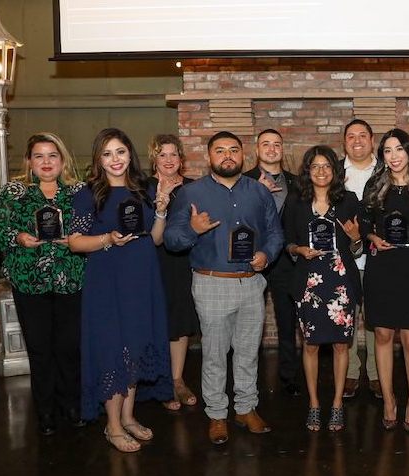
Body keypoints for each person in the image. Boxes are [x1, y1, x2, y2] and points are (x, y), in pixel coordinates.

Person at [164, 131, 284, 445]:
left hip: (251, 283)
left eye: (233, 150)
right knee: (215, 355)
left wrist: (266, 255)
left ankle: (246, 408)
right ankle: (217, 414)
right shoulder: (191, 193)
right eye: (220, 150)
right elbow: (172, 240)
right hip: (211, 282)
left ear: (243, 155)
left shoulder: (259, 192)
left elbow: (275, 234)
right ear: (209, 156)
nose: (227, 155)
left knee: (248, 352)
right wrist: (193, 228)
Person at [69, 128, 174, 453]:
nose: (115, 160)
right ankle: (112, 426)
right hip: (108, 282)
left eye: (120, 152)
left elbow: (155, 238)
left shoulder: (144, 189)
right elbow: (75, 242)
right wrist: (107, 240)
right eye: (107, 154)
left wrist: (160, 210)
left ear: (130, 154)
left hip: (142, 280)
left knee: (136, 347)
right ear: (99, 160)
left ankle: (128, 417)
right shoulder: (88, 193)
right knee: (114, 350)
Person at [0, 132, 84, 434]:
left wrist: (79, 240)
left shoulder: (79, 192)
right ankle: (45, 412)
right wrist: (18, 238)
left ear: (62, 160)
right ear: (29, 162)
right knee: (40, 350)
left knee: (69, 348)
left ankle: (73, 406)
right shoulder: (14, 192)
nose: (46, 162)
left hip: (72, 281)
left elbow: (93, 226)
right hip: (30, 283)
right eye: (39, 156)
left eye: (52, 155)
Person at [361, 128, 409, 432]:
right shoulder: (375, 185)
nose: (393, 157)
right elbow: (366, 222)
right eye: (387, 151)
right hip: (382, 269)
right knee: (381, 335)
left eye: (399, 149)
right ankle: (390, 400)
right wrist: (372, 237)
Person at [283, 145, 362, 432]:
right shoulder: (296, 202)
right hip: (309, 281)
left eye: (326, 166)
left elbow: (357, 246)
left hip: (340, 280)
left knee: (342, 344)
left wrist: (355, 238)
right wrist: (298, 249)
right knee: (311, 345)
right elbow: (286, 240)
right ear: (307, 171)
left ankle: (338, 404)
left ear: (335, 170)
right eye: (315, 166)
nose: (321, 171)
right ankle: (315, 404)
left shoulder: (350, 201)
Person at [244, 129, 301, 397]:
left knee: (287, 321)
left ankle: (289, 376)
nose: (271, 149)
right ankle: (247, 378)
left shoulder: (297, 182)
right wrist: (257, 193)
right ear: (257, 149)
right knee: (248, 323)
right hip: (252, 259)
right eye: (265, 144)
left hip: (286, 262)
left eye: (276, 144)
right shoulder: (244, 182)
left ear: (282, 148)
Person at [147, 134, 200, 411]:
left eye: (173, 154)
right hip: (151, 261)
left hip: (183, 261)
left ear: (181, 158)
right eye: (162, 154)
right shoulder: (143, 188)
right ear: (154, 158)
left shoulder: (193, 188)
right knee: (158, 320)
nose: (168, 160)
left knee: (180, 320)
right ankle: (161, 381)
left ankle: (178, 380)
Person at [341, 119, 381, 399]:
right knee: (347, 319)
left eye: (362, 135)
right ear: (344, 142)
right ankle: (352, 372)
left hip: (379, 259)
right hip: (343, 259)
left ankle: (379, 374)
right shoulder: (333, 173)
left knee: (377, 318)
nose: (357, 140)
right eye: (351, 136)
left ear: (372, 140)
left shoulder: (386, 170)